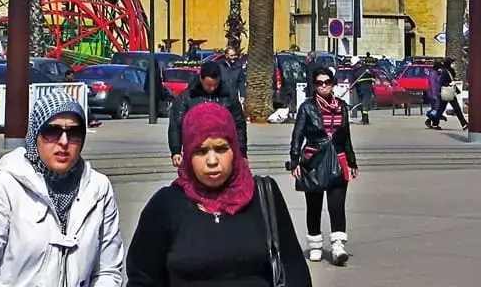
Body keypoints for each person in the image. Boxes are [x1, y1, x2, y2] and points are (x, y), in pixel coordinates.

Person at [128, 102, 312, 287]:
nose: (212, 161)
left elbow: (294, 270)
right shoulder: (166, 204)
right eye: (200, 151)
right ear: (188, 154)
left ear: (234, 149)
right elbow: (143, 279)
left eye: (221, 149)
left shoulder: (264, 196)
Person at [0, 91, 124, 287]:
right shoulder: (1, 188)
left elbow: (108, 271)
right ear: (35, 135)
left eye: (74, 132)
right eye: (52, 132)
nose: (63, 142)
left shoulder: (98, 189)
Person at [290, 66, 358, 265]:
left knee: (337, 205)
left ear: (333, 84)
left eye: (327, 82)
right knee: (314, 206)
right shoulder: (307, 107)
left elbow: (346, 137)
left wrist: (352, 161)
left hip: (339, 159)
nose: (324, 86)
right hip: (314, 160)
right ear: (314, 86)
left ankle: (338, 246)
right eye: (319, 83)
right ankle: (315, 245)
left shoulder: (342, 106)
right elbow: (298, 135)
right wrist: (295, 160)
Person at [168, 61, 247, 165]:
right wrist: (176, 151)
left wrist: (242, 152)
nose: (212, 88)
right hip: (195, 150)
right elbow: (176, 124)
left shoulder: (229, 97)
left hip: (223, 149)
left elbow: (239, 125)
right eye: (208, 85)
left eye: (215, 84)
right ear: (201, 79)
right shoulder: (187, 97)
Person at [436, 59, 468, 131]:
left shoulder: (449, 71)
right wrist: (448, 84)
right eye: (452, 63)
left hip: (448, 92)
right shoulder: (445, 72)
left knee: (441, 109)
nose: (453, 65)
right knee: (456, 108)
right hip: (447, 92)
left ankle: (434, 123)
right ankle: (464, 124)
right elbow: (442, 82)